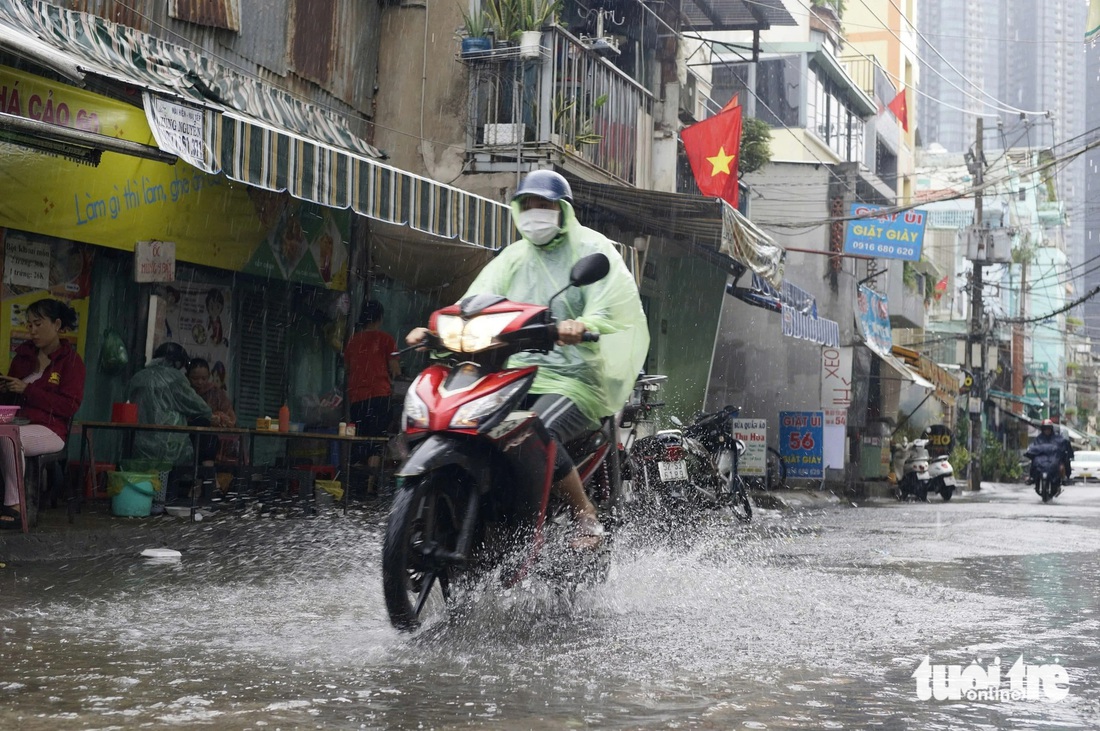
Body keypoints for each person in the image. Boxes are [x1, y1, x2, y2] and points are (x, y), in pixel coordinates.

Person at [406, 169, 649, 549]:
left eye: (546, 205)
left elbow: (611, 305)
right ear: (519, 209)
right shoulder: (512, 258)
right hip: (513, 371)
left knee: (537, 431)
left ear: (563, 210)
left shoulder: (591, 251)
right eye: (530, 204)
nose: (537, 212)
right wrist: (437, 330)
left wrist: (579, 325)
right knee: (472, 424)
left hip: (575, 377)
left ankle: (586, 514)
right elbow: (473, 303)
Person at [0, 299, 85, 528]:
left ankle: (16, 507)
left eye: (38, 324)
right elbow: (11, 402)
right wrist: (6, 389)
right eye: (29, 325)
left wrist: (28, 389)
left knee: (8, 436)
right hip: (19, 423)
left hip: (52, 430)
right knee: (8, 433)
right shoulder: (23, 357)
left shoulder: (71, 362)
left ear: (56, 324)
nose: (32, 330)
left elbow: (68, 406)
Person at [127, 343, 213, 500]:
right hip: (170, 446)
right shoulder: (175, 379)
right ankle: (198, 489)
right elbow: (202, 409)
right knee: (206, 436)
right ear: (177, 362)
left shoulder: (138, 377)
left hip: (140, 447)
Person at [345, 299, 400, 493]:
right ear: (380, 318)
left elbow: (349, 367)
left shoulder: (353, 341)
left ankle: (356, 488)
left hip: (357, 399)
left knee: (361, 440)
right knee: (376, 442)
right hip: (378, 396)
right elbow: (395, 370)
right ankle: (370, 487)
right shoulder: (385, 339)